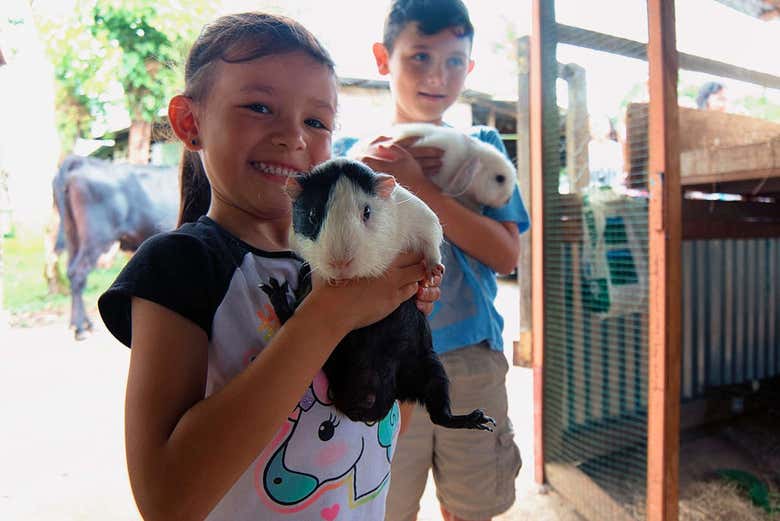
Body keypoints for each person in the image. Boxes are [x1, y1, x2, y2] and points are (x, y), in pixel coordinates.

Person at [97, 12, 441, 521]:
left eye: (316, 122)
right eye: (259, 107)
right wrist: (329, 315)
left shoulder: (350, 266)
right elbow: (167, 501)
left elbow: (385, 428)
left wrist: (402, 322)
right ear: (190, 122)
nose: (293, 137)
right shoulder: (180, 266)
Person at [335, 1, 529, 520]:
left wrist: (420, 188)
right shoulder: (355, 157)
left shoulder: (483, 150)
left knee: (472, 504)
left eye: (454, 61)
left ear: (471, 66)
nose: (437, 76)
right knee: (385, 504)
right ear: (383, 58)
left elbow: (506, 254)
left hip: (470, 358)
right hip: (385, 362)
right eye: (419, 56)